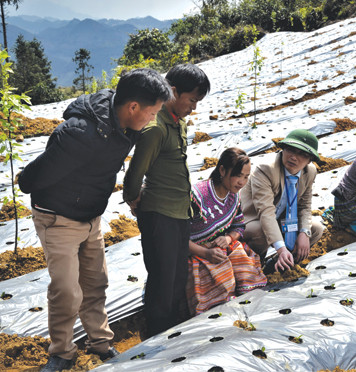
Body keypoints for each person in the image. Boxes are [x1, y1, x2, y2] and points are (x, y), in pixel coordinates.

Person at [17, 69, 173, 372]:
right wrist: (26, 178)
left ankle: (99, 342)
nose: (153, 120)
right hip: (58, 218)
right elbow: (33, 178)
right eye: (152, 113)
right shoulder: (79, 134)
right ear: (132, 107)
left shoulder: (128, 126)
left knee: (96, 283)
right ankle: (61, 352)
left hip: (91, 216)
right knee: (67, 290)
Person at [123, 64, 210, 337]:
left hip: (179, 213)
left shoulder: (178, 122)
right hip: (159, 214)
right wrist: (133, 199)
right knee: (162, 280)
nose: (193, 108)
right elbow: (134, 173)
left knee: (175, 278)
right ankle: (157, 336)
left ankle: (172, 330)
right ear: (174, 91)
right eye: (192, 100)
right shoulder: (156, 127)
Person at [187, 148, 267, 315]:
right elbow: (176, 238)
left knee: (244, 264)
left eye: (246, 177)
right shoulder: (196, 197)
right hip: (196, 253)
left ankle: (247, 301)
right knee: (219, 278)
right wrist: (205, 252)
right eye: (238, 175)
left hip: (221, 247)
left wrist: (229, 238)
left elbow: (239, 225)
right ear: (222, 170)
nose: (242, 182)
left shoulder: (233, 196)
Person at [241, 129, 325, 273]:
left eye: (302, 155)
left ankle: (279, 264)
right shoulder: (266, 169)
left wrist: (304, 233)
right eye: (290, 150)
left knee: (316, 229)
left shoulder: (310, 172)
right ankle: (256, 264)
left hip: (283, 219)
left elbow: (304, 206)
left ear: (310, 160)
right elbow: (266, 212)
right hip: (253, 221)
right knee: (261, 232)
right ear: (283, 149)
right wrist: (281, 248)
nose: (294, 157)